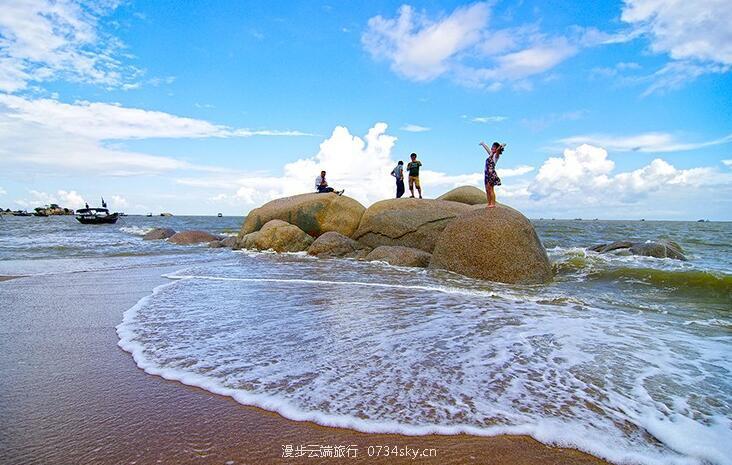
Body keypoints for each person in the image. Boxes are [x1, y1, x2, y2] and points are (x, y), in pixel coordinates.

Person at [480, 141, 504, 208]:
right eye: (492, 146)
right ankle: (489, 203)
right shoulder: (491, 154)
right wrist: (483, 144)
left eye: (493, 147)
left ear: (496, 149)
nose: (492, 148)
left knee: (491, 189)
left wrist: (501, 146)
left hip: (491, 174)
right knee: (487, 189)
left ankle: (493, 203)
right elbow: (487, 149)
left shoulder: (496, 156)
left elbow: (498, 150)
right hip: (486, 173)